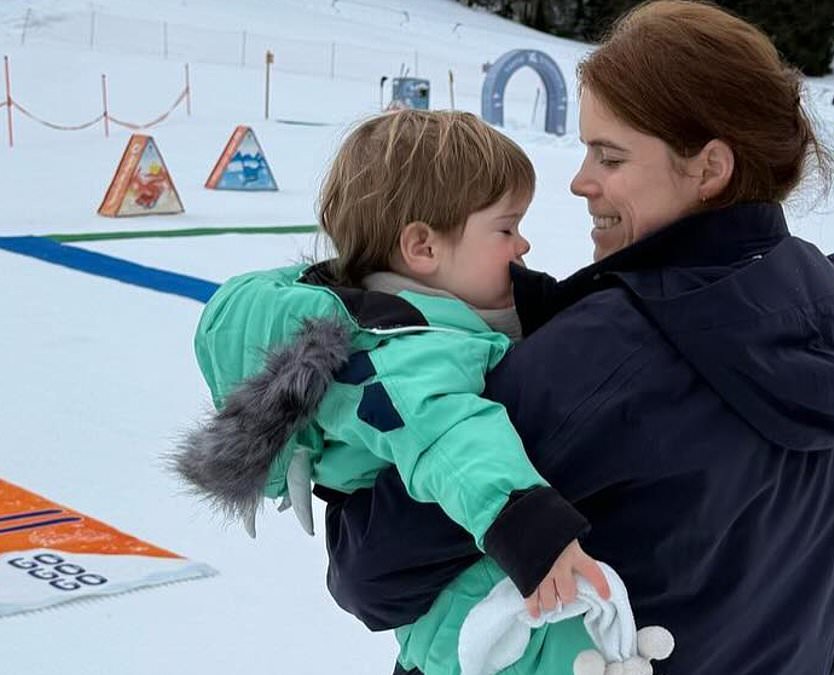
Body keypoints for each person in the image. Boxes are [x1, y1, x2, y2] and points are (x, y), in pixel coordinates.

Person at [326, 2, 834, 674]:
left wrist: (351, 451)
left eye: (610, 155)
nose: (580, 181)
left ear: (709, 169)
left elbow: (371, 572)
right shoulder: (833, 319)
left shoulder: (608, 352)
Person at [170, 109, 618, 671]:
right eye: (506, 229)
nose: (522, 245)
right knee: (534, 640)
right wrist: (529, 527)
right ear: (423, 248)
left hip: (444, 571)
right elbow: (448, 435)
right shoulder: (403, 353)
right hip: (467, 593)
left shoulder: (415, 319)